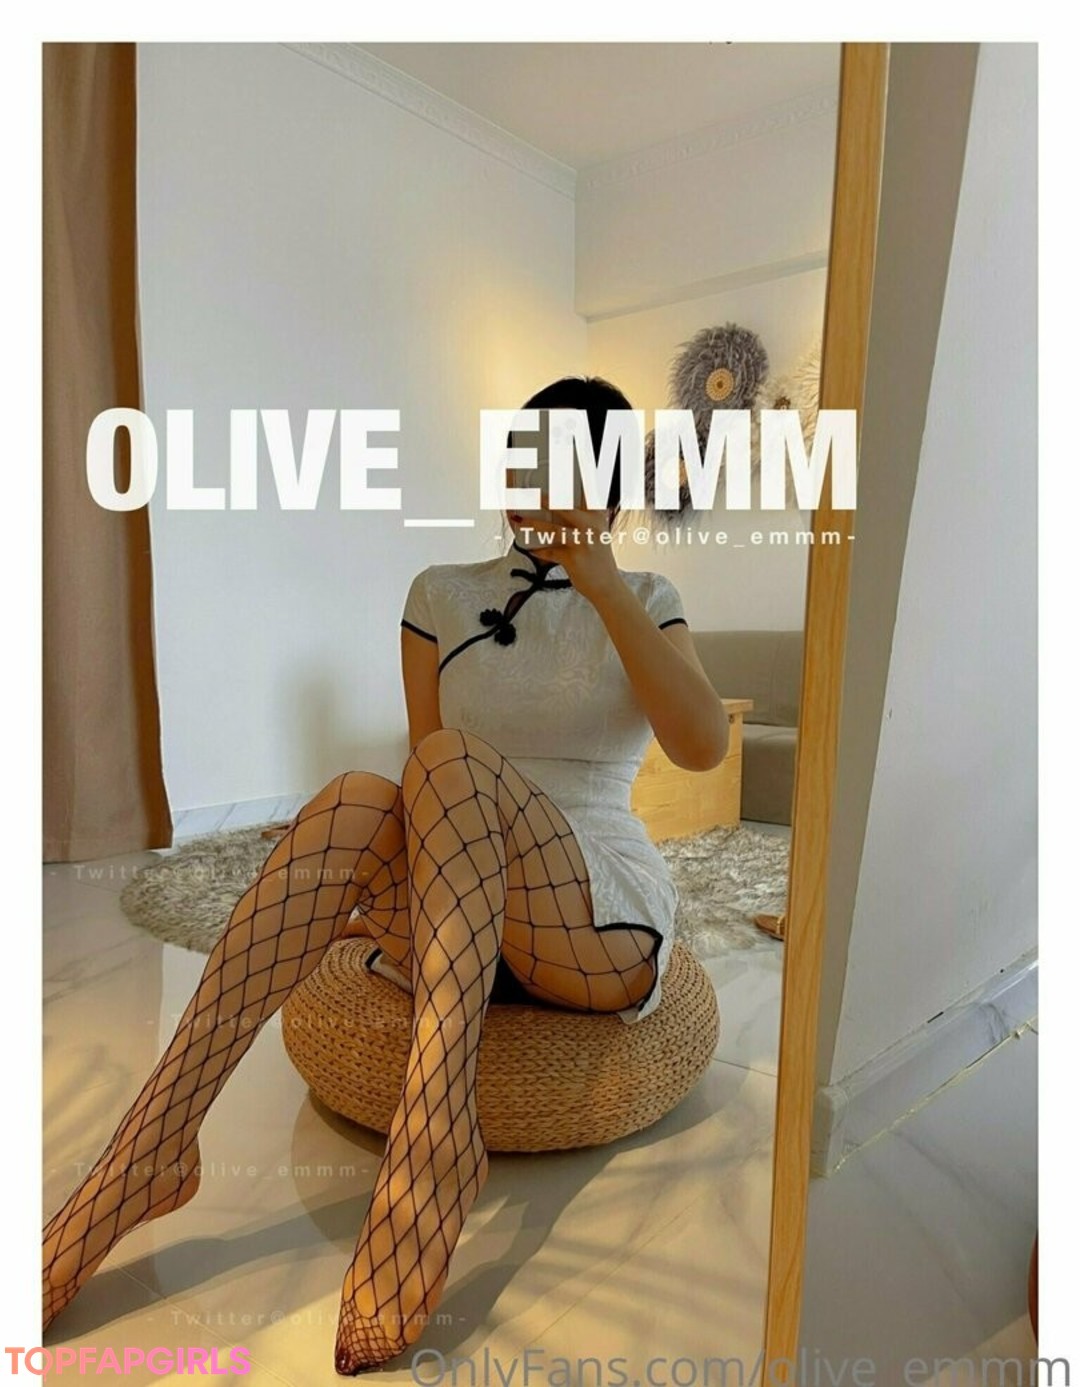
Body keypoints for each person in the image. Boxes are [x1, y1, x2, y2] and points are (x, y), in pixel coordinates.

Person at [41, 375, 729, 1374]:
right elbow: (422, 774)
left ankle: (434, 1137)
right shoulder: (439, 593)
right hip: (459, 887)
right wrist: (374, 893)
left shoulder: (651, 599)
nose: (536, 484)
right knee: (369, 793)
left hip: (587, 902)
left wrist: (606, 584)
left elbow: (702, 745)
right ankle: (152, 1142)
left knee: (448, 762)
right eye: (525, 460)